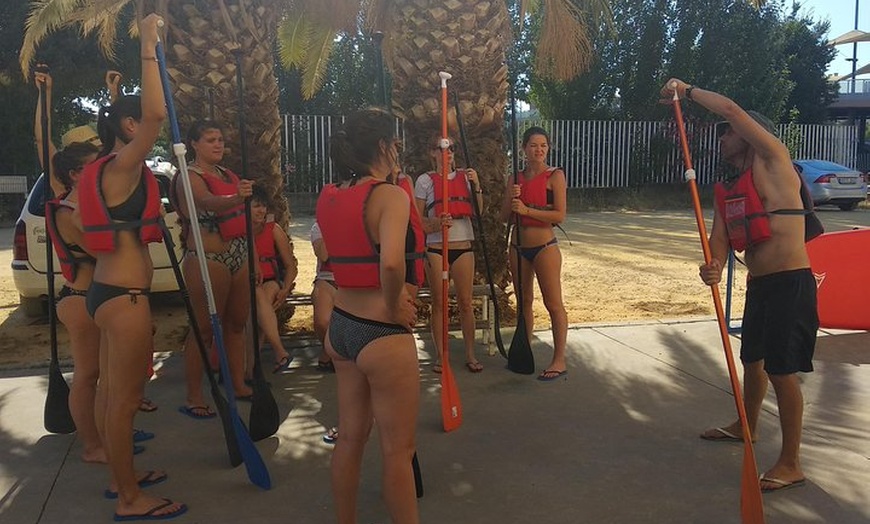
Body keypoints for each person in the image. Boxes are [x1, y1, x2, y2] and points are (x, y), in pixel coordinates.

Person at [661, 79, 818, 493]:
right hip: (760, 286)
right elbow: (720, 240)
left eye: (726, 134)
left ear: (749, 135)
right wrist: (711, 265)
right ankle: (745, 426)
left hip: (791, 284)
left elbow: (730, 108)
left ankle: (791, 462)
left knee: (783, 372)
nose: (722, 138)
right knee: (753, 360)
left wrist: (687, 90)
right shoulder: (728, 189)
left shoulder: (774, 160)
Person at [77, 13, 186, 520]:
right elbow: (158, 117)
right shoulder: (122, 166)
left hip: (104, 294)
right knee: (124, 402)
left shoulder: (99, 170)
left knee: (109, 395)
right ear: (127, 126)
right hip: (125, 299)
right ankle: (129, 498)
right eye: (136, 123)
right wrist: (147, 44)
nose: (145, 129)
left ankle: (121, 478)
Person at [316, 108, 420, 524]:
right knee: (398, 452)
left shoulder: (328, 195)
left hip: (341, 326)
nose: (397, 151)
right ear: (382, 146)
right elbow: (392, 265)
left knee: (350, 438)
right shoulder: (391, 196)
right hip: (382, 333)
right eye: (394, 144)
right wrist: (395, 304)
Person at [172, 119, 254, 417]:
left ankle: (238, 383)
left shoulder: (227, 174)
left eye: (220, 138)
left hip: (238, 253)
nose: (218, 144)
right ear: (194, 144)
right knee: (204, 329)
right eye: (210, 139)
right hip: (207, 258)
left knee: (235, 323)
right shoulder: (188, 175)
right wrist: (237, 197)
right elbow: (205, 201)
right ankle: (194, 395)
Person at [499, 126, 568, 381]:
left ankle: (559, 358)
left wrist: (527, 211)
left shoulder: (555, 176)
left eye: (543, 145)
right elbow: (505, 217)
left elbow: (560, 215)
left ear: (548, 148)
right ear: (524, 148)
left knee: (553, 304)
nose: (538, 150)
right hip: (517, 247)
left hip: (545, 248)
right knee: (523, 303)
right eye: (533, 145)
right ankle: (523, 352)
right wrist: (511, 197)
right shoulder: (514, 178)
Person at [414, 135, 483, 373]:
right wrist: (435, 224)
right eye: (442, 148)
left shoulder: (467, 177)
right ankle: (441, 357)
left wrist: (477, 186)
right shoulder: (425, 181)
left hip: (463, 248)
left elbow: (479, 211)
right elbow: (418, 220)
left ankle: (471, 355)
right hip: (435, 248)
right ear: (432, 153)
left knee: (465, 302)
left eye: (451, 148)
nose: (448, 152)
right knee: (439, 304)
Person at [250, 186, 297, 373]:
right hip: (246, 283)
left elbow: (290, 266)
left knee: (262, 299)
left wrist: (285, 288)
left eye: (263, 206)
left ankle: (252, 366)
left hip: (271, 281)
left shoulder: (273, 229)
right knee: (262, 304)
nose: (261, 210)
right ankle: (277, 354)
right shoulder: (237, 231)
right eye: (255, 206)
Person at [310, 221, 336, 372]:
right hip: (327, 278)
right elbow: (323, 254)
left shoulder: (359, 222)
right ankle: (328, 350)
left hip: (353, 280)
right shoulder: (318, 227)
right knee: (322, 321)